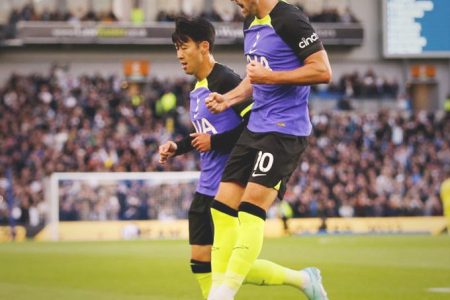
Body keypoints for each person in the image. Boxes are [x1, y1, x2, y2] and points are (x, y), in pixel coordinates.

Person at [159, 17, 314, 299]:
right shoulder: (196, 89)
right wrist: (178, 147)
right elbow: (206, 134)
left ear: (204, 47)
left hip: (228, 183)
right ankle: (303, 279)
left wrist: (215, 141)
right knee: (200, 262)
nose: (179, 55)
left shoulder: (227, 79)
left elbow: (252, 124)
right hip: (206, 184)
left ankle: (302, 280)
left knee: (227, 263)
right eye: (176, 48)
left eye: (184, 47)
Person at [205, 1, 332, 299]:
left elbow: (323, 71)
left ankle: (222, 295)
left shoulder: (289, 19)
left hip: (284, 131)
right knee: (222, 209)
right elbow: (255, 75)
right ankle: (303, 280)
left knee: (250, 210)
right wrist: (229, 99)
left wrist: (271, 77)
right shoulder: (250, 22)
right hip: (255, 129)